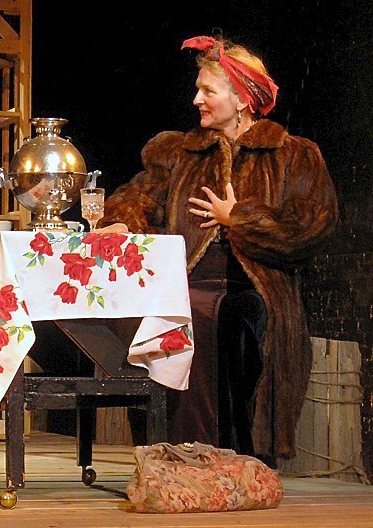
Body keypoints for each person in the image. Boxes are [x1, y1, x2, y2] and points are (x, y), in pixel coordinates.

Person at [98, 34, 338, 460]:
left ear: (242, 98)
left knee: (227, 320)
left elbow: (313, 225)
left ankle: (225, 456)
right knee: (161, 317)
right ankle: (175, 453)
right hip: (184, 282)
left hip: (256, 285)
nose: (197, 100)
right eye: (198, 90)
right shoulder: (182, 152)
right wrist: (123, 220)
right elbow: (139, 196)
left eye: (208, 91)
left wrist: (239, 217)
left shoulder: (294, 155)